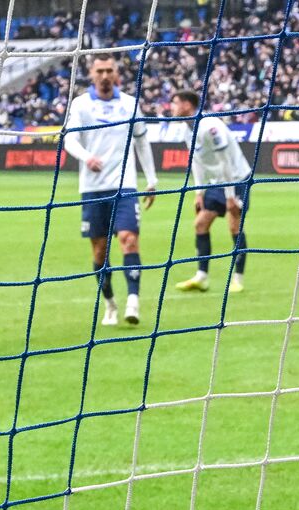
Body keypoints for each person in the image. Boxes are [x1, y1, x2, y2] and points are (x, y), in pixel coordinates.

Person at [62, 54, 158, 327]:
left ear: (116, 74)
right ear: (92, 74)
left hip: (124, 186)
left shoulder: (130, 104)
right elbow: (69, 140)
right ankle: (110, 303)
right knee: (99, 251)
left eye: (109, 70)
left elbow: (141, 141)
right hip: (92, 188)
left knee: (129, 239)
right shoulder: (80, 105)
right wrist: (86, 157)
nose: (105, 75)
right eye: (100, 71)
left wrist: (151, 180)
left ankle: (133, 301)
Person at [169, 90, 252, 294]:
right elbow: (196, 161)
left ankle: (238, 279)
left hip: (237, 179)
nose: (171, 107)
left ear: (188, 105)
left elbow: (225, 163)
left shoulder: (210, 127)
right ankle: (202, 277)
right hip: (216, 182)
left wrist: (230, 197)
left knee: (234, 226)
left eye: (175, 103)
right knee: (200, 224)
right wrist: (199, 191)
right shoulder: (186, 129)